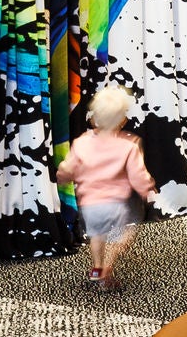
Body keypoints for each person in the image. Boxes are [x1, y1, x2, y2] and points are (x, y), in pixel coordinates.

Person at [57, 85, 156, 289]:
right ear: (123, 121)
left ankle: (96, 267)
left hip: (89, 205)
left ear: (94, 119)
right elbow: (138, 175)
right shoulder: (128, 146)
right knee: (125, 233)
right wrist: (148, 190)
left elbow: (69, 167)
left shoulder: (82, 142)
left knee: (96, 236)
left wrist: (62, 175)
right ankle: (108, 265)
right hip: (115, 205)